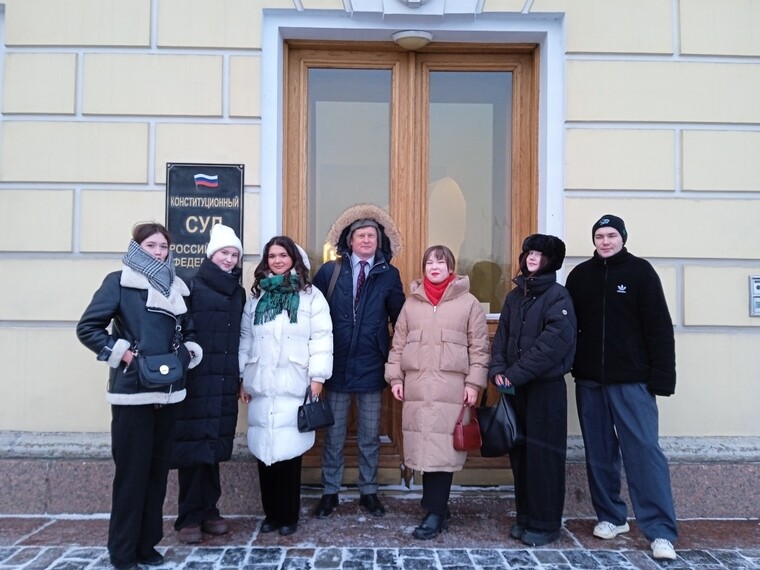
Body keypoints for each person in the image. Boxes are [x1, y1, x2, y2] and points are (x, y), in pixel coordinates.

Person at [76, 222, 202, 570]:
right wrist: (126, 356)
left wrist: (186, 355)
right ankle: (123, 551)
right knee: (132, 476)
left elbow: (189, 331)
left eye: (163, 246)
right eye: (151, 245)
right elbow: (88, 328)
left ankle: (147, 545)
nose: (159, 252)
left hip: (170, 391)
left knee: (157, 474)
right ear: (137, 247)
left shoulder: (177, 286)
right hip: (133, 393)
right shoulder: (119, 282)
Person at [565, 214, 678, 561]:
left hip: (633, 381)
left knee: (643, 452)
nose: (605, 241)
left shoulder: (641, 272)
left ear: (623, 238)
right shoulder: (580, 276)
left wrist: (662, 377)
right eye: (600, 236)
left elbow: (659, 327)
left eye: (611, 235)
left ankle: (660, 531)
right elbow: (568, 328)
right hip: (590, 381)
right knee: (599, 452)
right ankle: (611, 516)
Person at [386, 245, 489, 539]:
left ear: (450, 268)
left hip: (451, 391)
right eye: (429, 262)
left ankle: (434, 512)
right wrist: (395, 378)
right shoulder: (411, 304)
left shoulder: (468, 303)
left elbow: (479, 348)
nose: (434, 267)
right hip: (417, 389)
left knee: (443, 450)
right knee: (424, 447)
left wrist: (474, 384)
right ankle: (436, 506)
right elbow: (398, 345)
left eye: (440, 263)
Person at [311, 203, 405, 518]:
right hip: (336, 365)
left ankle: (369, 492)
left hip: (371, 365)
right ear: (349, 241)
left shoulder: (389, 274)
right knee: (334, 435)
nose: (366, 240)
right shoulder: (330, 271)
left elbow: (401, 319)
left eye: (371, 236)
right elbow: (312, 314)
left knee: (369, 436)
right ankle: (329, 492)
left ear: (379, 241)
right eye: (360, 235)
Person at [239, 236, 333, 536]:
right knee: (264, 451)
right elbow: (246, 338)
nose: (277, 260)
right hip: (262, 382)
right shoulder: (257, 297)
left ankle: (288, 515)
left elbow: (321, 338)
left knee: (289, 453)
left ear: (294, 259)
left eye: (283, 255)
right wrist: (242, 377)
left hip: (295, 381)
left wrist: (318, 378)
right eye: (272, 256)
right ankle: (271, 513)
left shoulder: (311, 296)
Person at [489, 234, 577, 547]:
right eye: (529, 253)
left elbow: (552, 345)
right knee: (521, 454)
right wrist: (497, 370)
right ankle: (525, 516)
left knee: (544, 458)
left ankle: (545, 523)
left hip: (545, 391)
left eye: (539, 255)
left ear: (550, 261)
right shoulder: (516, 296)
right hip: (517, 390)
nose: (532, 258)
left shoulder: (557, 297)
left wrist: (513, 374)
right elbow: (502, 337)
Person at [171, 224, 246, 544]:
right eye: (224, 253)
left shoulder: (238, 292)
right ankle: (188, 517)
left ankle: (210, 510)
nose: (229, 259)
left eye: (234, 255)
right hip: (197, 379)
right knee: (192, 446)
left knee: (213, 446)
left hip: (224, 378)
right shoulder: (191, 285)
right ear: (211, 254)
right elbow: (180, 331)